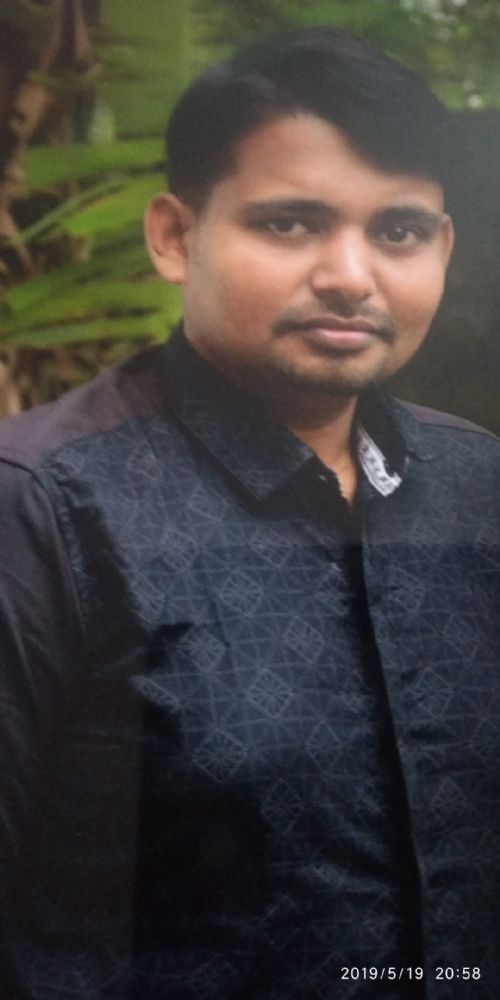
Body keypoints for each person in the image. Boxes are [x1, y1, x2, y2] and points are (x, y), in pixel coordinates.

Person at [0, 26, 499, 1000]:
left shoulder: (476, 484)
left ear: (441, 248)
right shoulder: (42, 509)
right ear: (173, 236)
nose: (350, 274)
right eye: (290, 223)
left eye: (396, 231)